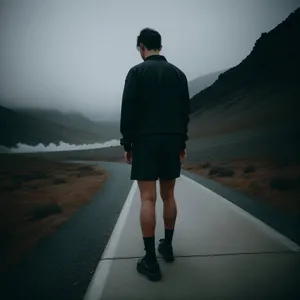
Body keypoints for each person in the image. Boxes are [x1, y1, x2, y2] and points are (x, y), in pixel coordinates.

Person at [120, 27, 190, 281]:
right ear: (160, 46)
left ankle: (150, 260)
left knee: (148, 199)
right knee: (168, 195)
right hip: (172, 139)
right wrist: (181, 142)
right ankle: (167, 246)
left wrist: (127, 145)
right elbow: (185, 112)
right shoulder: (178, 74)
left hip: (145, 142)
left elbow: (128, 110)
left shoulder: (136, 72)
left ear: (142, 47)